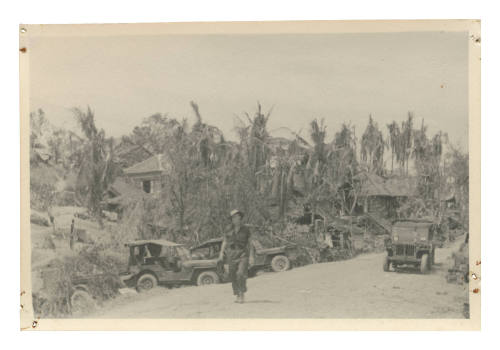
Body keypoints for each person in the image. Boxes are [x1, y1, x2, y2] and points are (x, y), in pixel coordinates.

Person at [218, 209, 253, 304]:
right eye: (233, 217)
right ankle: (237, 294)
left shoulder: (246, 229)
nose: (234, 219)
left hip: (243, 253)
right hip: (231, 254)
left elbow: (250, 243)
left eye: (236, 216)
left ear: (240, 217)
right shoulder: (228, 229)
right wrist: (221, 253)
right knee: (233, 275)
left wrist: (251, 256)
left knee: (241, 274)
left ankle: (242, 293)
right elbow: (225, 241)